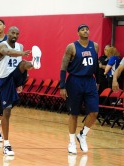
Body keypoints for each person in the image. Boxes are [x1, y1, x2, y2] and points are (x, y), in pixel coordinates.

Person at [0, 26, 39, 156]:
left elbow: (19, 63)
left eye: (17, 33)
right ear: (7, 33)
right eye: (12, 32)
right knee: (6, 111)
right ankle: (6, 144)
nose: (15, 35)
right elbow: (8, 52)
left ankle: (34, 63)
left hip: (15, 77)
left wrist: (22, 80)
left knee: (24, 64)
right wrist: (22, 53)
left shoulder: (20, 46)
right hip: (4, 81)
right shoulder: (0, 46)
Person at [60, 24, 99, 154]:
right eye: (82, 29)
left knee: (94, 112)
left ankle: (82, 134)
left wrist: (97, 81)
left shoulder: (95, 46)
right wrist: (62, 86)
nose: (85, 31)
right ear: (78, 33)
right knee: (74, 114)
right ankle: (71, 142)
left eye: (87, 29)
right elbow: (63, 67)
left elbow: (96, 66)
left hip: (89, 81)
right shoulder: (72, 47)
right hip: (75, 81)